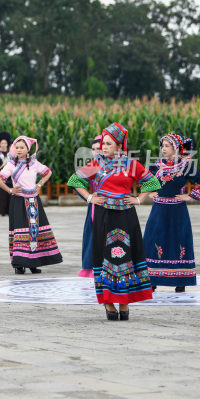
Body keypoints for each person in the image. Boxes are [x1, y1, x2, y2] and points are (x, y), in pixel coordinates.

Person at [68, 122, 161, 321]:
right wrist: (90, 197)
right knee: (104, 257)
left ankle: (124, 303)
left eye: (109, 144)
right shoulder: (96, 164)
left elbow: (152, 182)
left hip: (126, 216)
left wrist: (139, 199)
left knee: (125, 258)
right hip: (103, 215)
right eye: (103, 143)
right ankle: (109, 303)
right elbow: (75, 181)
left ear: (119, 146)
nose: (104, 147)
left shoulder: (132, 165)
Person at [143, 133, 200, 292]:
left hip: (178, 211)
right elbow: (143, 179)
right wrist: (149, 193)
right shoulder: (155, 165)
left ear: (176, 148)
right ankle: (152, 280)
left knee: (178, 242)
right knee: (155, 240)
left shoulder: (186, 166)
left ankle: (180, 280)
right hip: (159, 210)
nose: (163, 149)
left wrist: (190, 196)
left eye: (167, 146)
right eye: (162, 146)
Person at [0, 136, 62, 275]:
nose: (18, 150)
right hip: (18, 201)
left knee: (34, 231)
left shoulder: (34, 163)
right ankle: (19, 264)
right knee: (20, 231)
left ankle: (33, 263)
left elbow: (48, 173)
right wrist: (10, 190)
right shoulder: (11, 164)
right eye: (17, 147)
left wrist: (39, 184)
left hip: (33, 201)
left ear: (28, 149)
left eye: (22, 147)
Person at [77, 135, 102, 278]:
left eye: (99, 148)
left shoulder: (118, 165)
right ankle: (91, 268)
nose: (96, 151)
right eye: (93, 149)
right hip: (96, 205)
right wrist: (89, 197)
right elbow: (76, 182)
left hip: (115, 205)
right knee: (93, 236)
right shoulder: (92, 166)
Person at [0, 133, 12, 216]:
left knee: (10, 193)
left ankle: (10, 210)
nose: (4, 145)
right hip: (1, 175)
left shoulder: (10, 154)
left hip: (10, 177)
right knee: (2, 194)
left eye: (5, 143)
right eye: (2, 143)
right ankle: (2, 211)